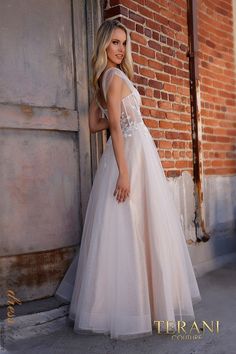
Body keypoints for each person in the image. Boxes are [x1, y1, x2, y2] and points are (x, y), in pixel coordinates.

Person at [55, 19, 201, 340]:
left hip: (134, 152)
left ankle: (138, 303)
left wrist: (106, 105)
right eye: (114, 43)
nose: (120, 49)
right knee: (134, 223)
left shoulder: (108, 78)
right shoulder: (115, 77)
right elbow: (116, 129)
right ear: (104, 45)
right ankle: (139, 306)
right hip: (130, 157)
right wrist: (124, 171)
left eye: (124, 43)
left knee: (134, 224)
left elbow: (96, 124)